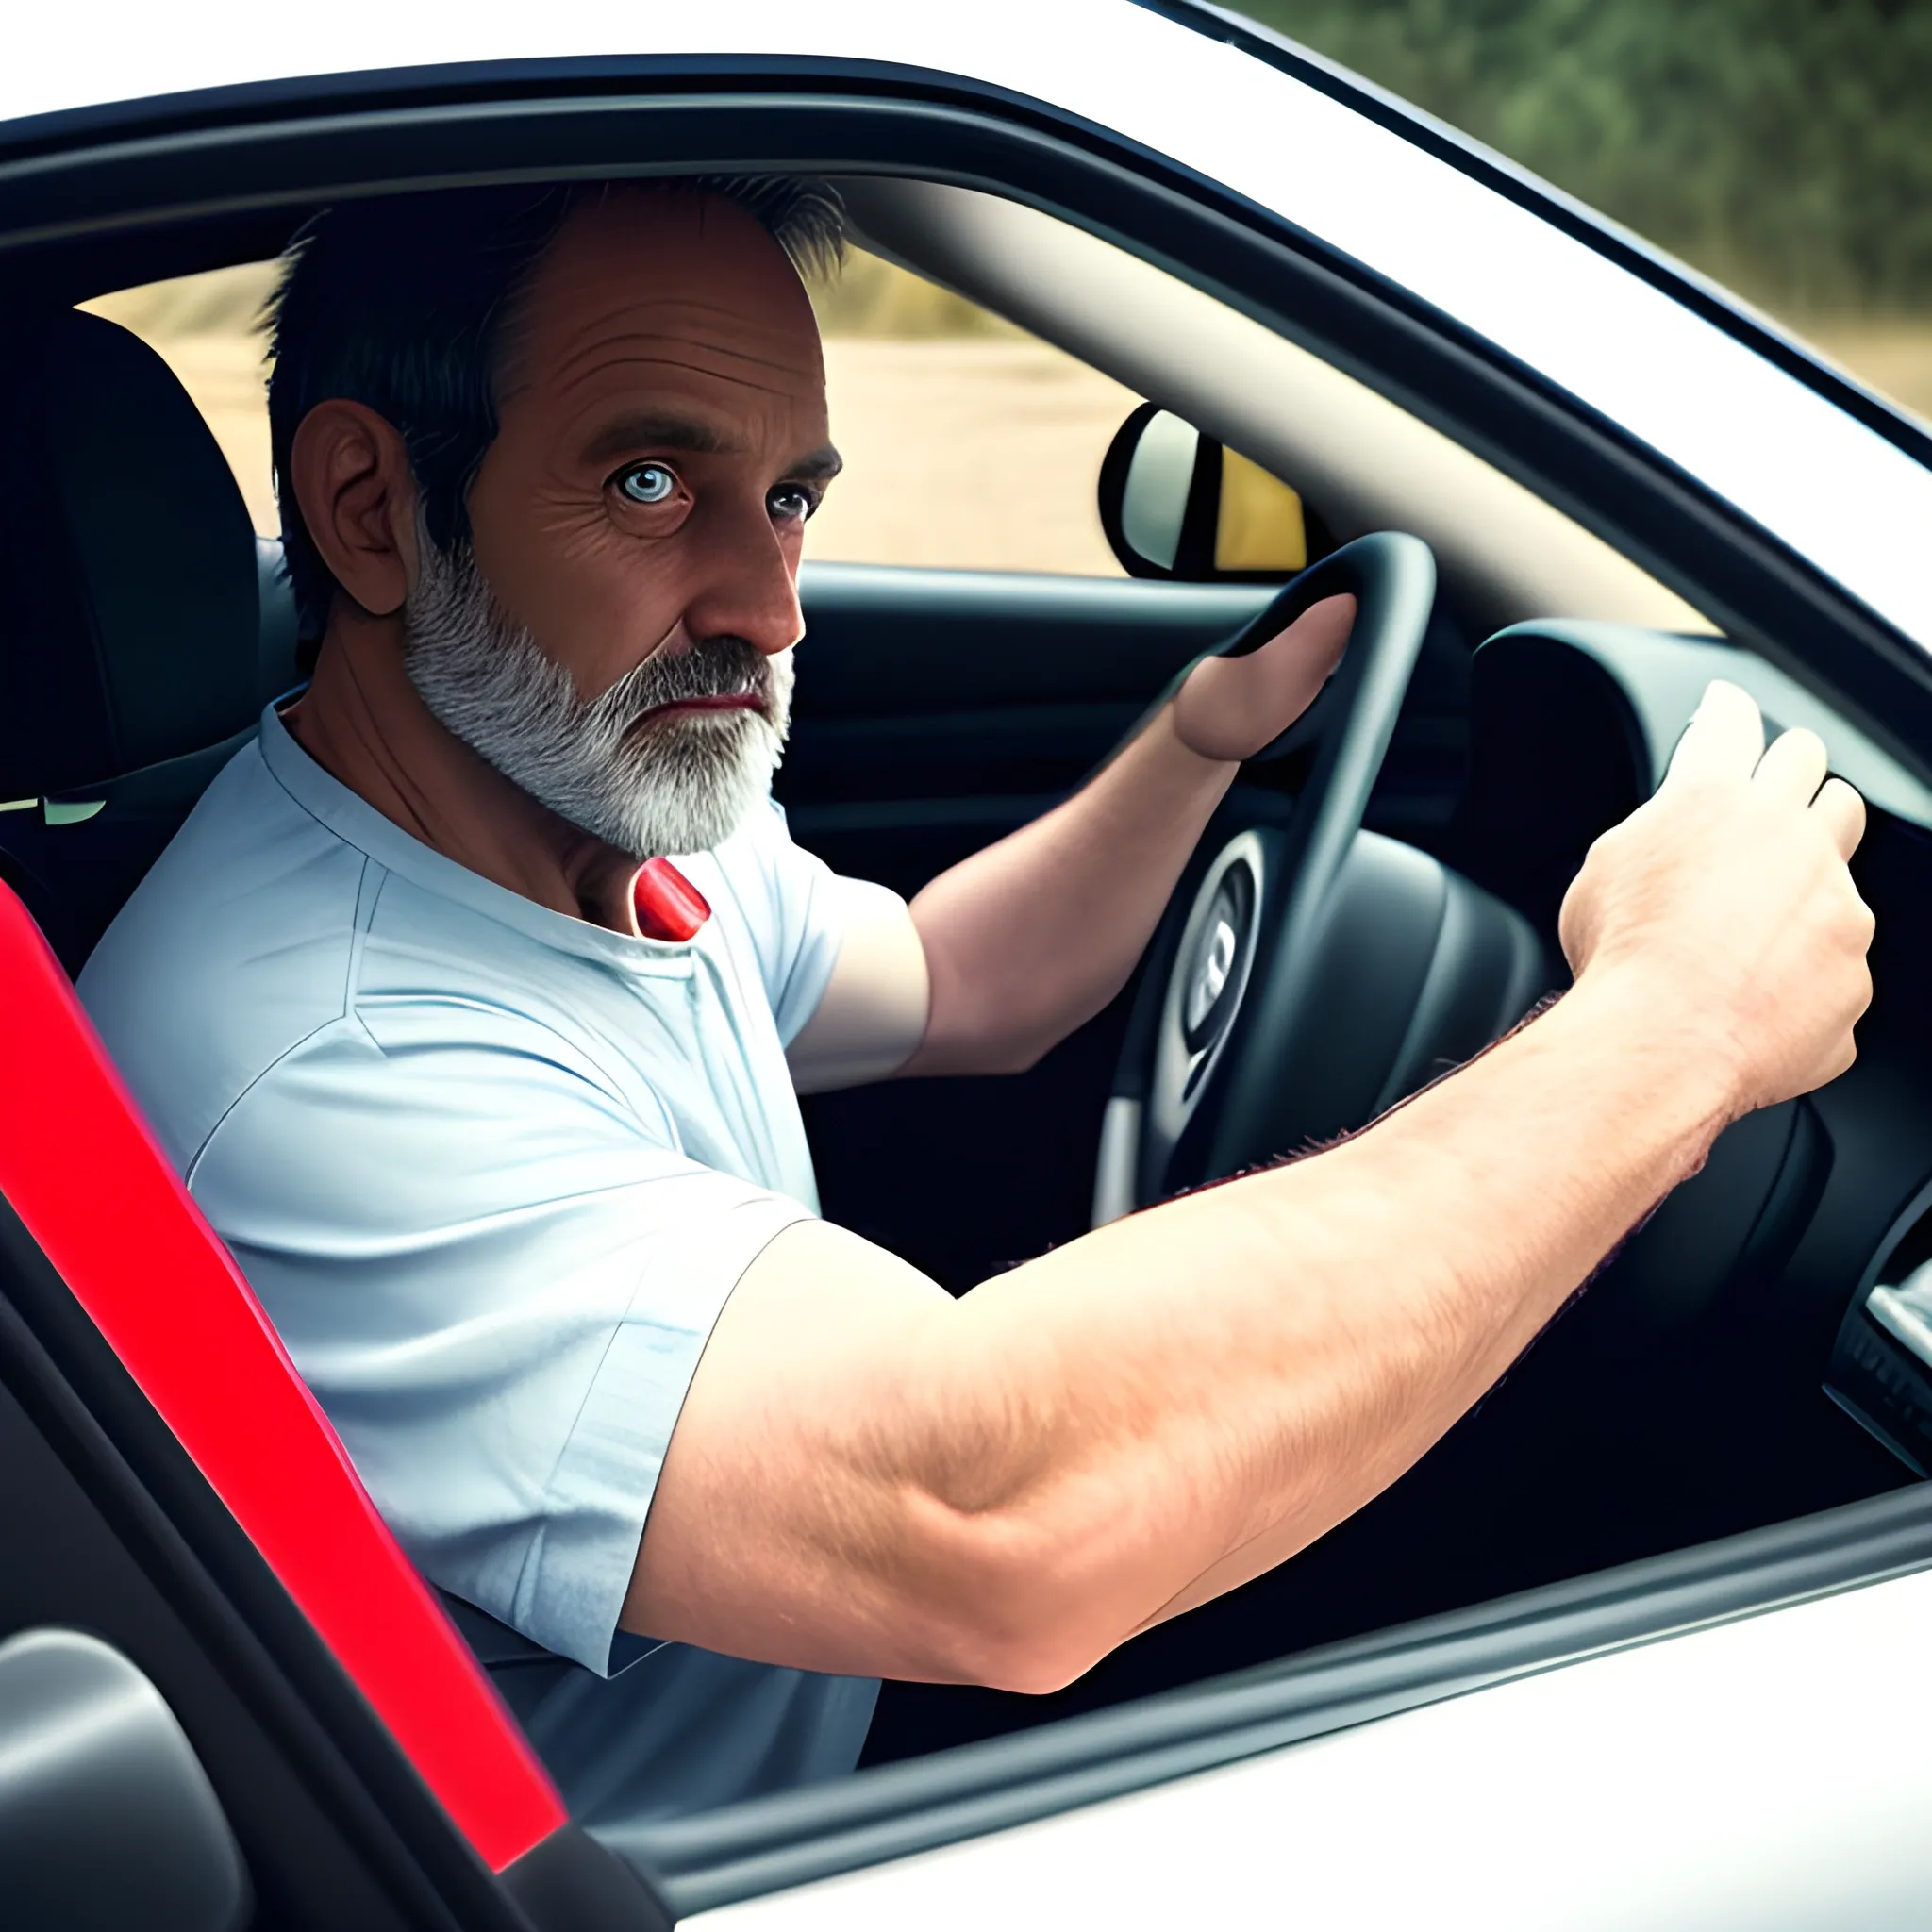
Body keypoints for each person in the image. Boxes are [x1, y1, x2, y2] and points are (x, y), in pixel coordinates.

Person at [79, 175, 1874, 1824]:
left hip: (827, 1728)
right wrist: (1674, 1026)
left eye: (787, 499)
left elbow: (953, 981)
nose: (769, 606)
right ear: (373, 511)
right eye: (651, 484)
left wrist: (1194, 746)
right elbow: (992, 1519)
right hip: (709, 1864)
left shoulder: (563, 815)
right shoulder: (333, 1064)